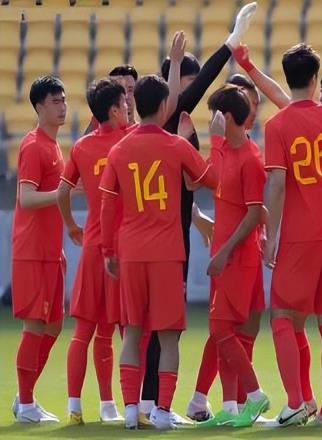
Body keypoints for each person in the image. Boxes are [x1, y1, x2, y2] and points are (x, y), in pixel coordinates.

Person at [233, 46, 322, 422]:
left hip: (300, 235)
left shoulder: (278, 125)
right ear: (313, 79)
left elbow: (277, 184)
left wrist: (271, 233)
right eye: (321, 85)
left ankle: (298, 401)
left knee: (282, 316)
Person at [139, 2, 258, 424]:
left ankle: (143, 405)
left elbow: (183, 186)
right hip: (166, 238)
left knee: (149, 325)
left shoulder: (158, 134)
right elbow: (205, 180)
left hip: (161, 232)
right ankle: (155, 405)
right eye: (184, 88)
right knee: (164, 326)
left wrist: (199, 218)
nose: (191, 97)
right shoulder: (173, 131)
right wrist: (230, 43)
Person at [99, 74, 217, 430]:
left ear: (137, 104)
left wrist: (108, 250)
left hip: (131, 249)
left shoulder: (119, 150)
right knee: (168, 335)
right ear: (165, 105)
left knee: (133, 332)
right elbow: (211, 178)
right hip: (167, 251)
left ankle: (130, 411)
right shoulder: (176, 146)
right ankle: (163, 411)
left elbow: (107, 205)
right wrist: (198, 142)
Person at [186, 73, 266, 422]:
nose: (213, 121)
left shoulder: (249, 157)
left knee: (222, 330)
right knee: (226, 332)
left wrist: (225, 251)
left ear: (227, 116)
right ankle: (232, 406)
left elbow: (253, 213)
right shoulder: (230, 152)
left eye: (216, 115)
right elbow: (205, 179)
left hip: (237, 258)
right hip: (228, 256)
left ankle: (255, 396)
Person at [57, 78, 129, 425]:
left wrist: (72, 225)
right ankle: (124, 405)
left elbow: (63, 192)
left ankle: (75, 406)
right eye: (125, 104)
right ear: (114, 110)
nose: (129, 109)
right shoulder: (129, 140)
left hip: (92, 246)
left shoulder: (81, 147)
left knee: (85, 331)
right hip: (122, 249)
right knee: (125, 331)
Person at [11, 75, 67, 423]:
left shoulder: (53, 145)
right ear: (38, 107)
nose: (62, 107)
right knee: (35, 326)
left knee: (55, 325)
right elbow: (26, 198)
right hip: (32, 249)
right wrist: (62, 193)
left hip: (50, 249)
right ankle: (27, 404)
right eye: (55, 101)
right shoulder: (34, 145)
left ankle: (24, 397)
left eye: (64, 100)